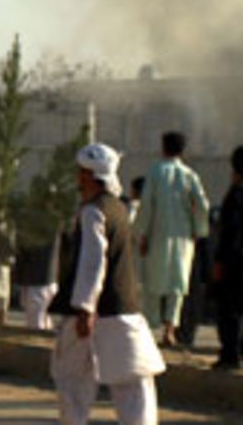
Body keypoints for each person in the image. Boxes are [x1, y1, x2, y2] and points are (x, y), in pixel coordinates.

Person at [49, 143, 164, 425]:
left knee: (73, 382)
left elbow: (92, 260)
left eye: (80, 172)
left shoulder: (93, 211)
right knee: (134, 385)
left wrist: (86, 307)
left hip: (91, 314)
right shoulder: (118, 208)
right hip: (122, 311)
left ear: (89, 175)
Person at [137, 130, 210, 346]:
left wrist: (142, 234)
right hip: (183, 238)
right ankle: (170, 329)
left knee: (152, 284)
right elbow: (202, 205)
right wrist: (198, 230)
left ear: (163, 147)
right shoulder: (190, 175)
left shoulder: (155, 172)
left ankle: (150, 330)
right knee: (178, 284)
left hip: (157, 236)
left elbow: (147, 206)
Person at [212, 144, 243, 372]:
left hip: (234, 260)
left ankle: (230, 356)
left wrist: (220, 261)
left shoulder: (237, 193)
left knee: (230, 311)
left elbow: (230, 232)